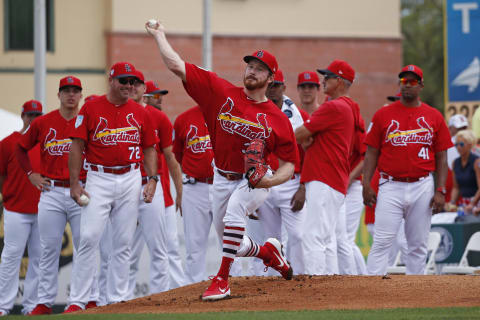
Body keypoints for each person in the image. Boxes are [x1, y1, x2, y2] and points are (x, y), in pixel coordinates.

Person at [146, 22, 298, 301]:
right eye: (250, 65)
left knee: (233, 217)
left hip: (255, 177)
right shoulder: (221, 92)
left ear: (271, 78)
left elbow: (290, 163)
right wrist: (159, 36)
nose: (252, 70)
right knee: (232, 240)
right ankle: (268, 253)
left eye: (260, 68)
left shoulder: (277, 118)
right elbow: (177, 66)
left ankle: (222, 279)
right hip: (221, 177)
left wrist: (271, 180)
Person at [66, 62, 158, 311]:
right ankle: (78, 300)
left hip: (131, 177)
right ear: (111, 80)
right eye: (123, 81)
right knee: (88, 237)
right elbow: (76, 147)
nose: (129, 86)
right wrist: (75, 184)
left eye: (132, 82)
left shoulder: (141, 112)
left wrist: (152, 179)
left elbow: (149, 148)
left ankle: (116, 299)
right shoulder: (92, 107)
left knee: (123, 241)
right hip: (99, 177)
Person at [17, 78, 97, 315]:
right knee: (48, 248)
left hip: (81, 189)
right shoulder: (43, 122)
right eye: (66, 91)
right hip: (51, 191)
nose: (71, 95)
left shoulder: (88, 121)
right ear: (59, 94)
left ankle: (88, 298)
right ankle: (44, 302)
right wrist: (31, 174)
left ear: (81, 95)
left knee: (86, 245)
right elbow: (21, 148)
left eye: (75, 91)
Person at [363, 65, 452, 275]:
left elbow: (442, 156)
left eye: (412, 82)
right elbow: (371, 152)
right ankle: (370, 289)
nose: (407, 85)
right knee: (383, 240)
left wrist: (441, 190)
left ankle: (416, 292)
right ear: (399, 84)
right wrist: (366, 184)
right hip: (390, 184)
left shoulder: (433, 116)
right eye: (404, 81)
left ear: (421, 85)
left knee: (418, 244)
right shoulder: (383, 114)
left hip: (422, 184)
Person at [295, 60, 360, 275]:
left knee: (312, 236)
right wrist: (307, 139)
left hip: (324, 177)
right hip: (334, 179)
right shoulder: (350, 107)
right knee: (327, 238)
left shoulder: (334, 106)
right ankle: (329, 287)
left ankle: (316, 286)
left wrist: (304, 138)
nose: (324, 80)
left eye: (328, 77)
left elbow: (299, 134)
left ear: (340, 81)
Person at [124, 70, 169, 298]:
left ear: (144, 90)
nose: (133, 87)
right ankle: (122, 299)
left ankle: (159, 297)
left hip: (151, 182)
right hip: (125, 182)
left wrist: (167, 187)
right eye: (129, 83)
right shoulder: (119, 112)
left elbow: (168, 155)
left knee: (158, 246)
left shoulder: (156, 116)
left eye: (137, 84)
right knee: (126, 249)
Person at [261, 69, 306, 274]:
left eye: (276, 85)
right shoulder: (254, 113)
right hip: (265, 182)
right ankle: (270, 285)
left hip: (291, 182)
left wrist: (303, 186)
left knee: (297, 236)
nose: (272, 89)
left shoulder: (299, 116)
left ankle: (299, 279)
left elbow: (309, 154)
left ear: (284, 87)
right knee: (270, 239)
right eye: (269, 85)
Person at [0, 100, 42, 316]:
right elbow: (1, 175)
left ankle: (31, 306)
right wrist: (8, 194)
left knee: (38, 258)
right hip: (15, 208)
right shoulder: (8, 142)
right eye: (30, 115)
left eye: (37, 115)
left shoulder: (46, 143)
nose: (34, 119)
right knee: (11, 255)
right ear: (23, 116)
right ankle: (3, 306)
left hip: (42, 209)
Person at [144, 80, 186, 289]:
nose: (160, 101)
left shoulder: (161, 119)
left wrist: (179, 191)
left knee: (171, 248)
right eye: (156, 96)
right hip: (134, 191)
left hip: (162, 194)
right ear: (145, 97)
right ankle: (122, 300)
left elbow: (172, 160)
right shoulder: (136, 116)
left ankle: (177, 294)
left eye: (161, 97)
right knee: (129, 252)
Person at [173, 105, 215, 284]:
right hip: (195, 186)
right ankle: (193, 287)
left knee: (231, 242)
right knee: (194, 245)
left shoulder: (229, 116)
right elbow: (178, 155)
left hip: (224, 184)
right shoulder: (183, 119)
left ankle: (233, 283)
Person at [448, 130, 480, 215]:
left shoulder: (476, 162)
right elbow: (456, 188)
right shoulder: (455, 163)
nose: (458, 147)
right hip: (464, 203)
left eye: (461, 144)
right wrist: (452, 202)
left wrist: (472, 204)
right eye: (456, 145)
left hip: (477, 203)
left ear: (469, 145)